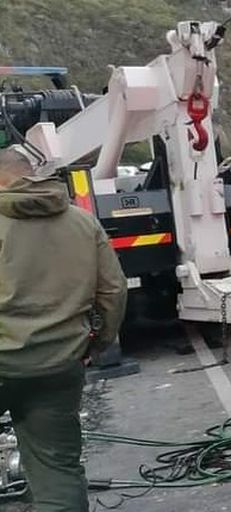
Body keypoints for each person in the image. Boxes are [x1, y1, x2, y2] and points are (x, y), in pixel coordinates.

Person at [0, 147, 127, 512]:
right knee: (57, 470)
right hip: (59, 364)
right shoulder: (82, 222)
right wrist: (95, 345)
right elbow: (113, 291)